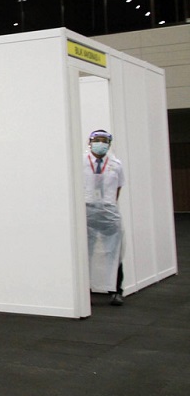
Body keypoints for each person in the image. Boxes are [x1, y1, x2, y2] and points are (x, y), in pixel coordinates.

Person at [84, 129, 126, 306]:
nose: (100, 144)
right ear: (91, 142)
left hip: (108, 211)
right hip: (86, 210)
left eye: (104, 141)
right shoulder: (81, 161)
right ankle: (85, 290)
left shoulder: (116, 164)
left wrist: (108, 204)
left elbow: (118, 187)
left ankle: (116, 290)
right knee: (85, 252)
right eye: (97, 140)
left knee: (114, 252)